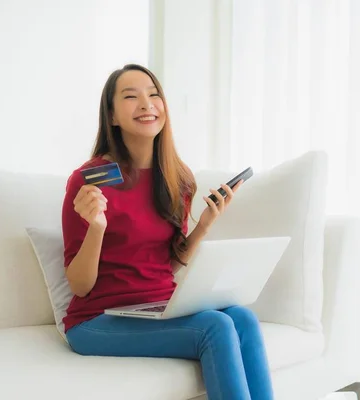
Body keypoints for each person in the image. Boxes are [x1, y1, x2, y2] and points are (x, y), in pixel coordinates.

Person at [61, 64, 274, 400]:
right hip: (96, 320)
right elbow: (80, 285)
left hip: (159, 308)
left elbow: (170, 263)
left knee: (243, 318)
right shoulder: (88, 180)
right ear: (113, 116)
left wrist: (202, 226)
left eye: (153, 94)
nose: (146, 103)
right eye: (131, 97)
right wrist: (97, 228)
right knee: (214, 326)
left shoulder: (179, 177)